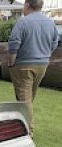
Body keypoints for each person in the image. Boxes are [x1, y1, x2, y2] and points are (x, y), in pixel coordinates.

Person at [7, 0, 59, 137]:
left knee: (25, 99)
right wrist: (45, 55)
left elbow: (14, 43)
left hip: (23, 64)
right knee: (29, 97)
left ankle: (27, 132)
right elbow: (55, 42)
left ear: (28, 5)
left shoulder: (23, 22)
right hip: (42, 64)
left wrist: (11, 61)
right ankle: (22, 125)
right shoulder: (50, 22)